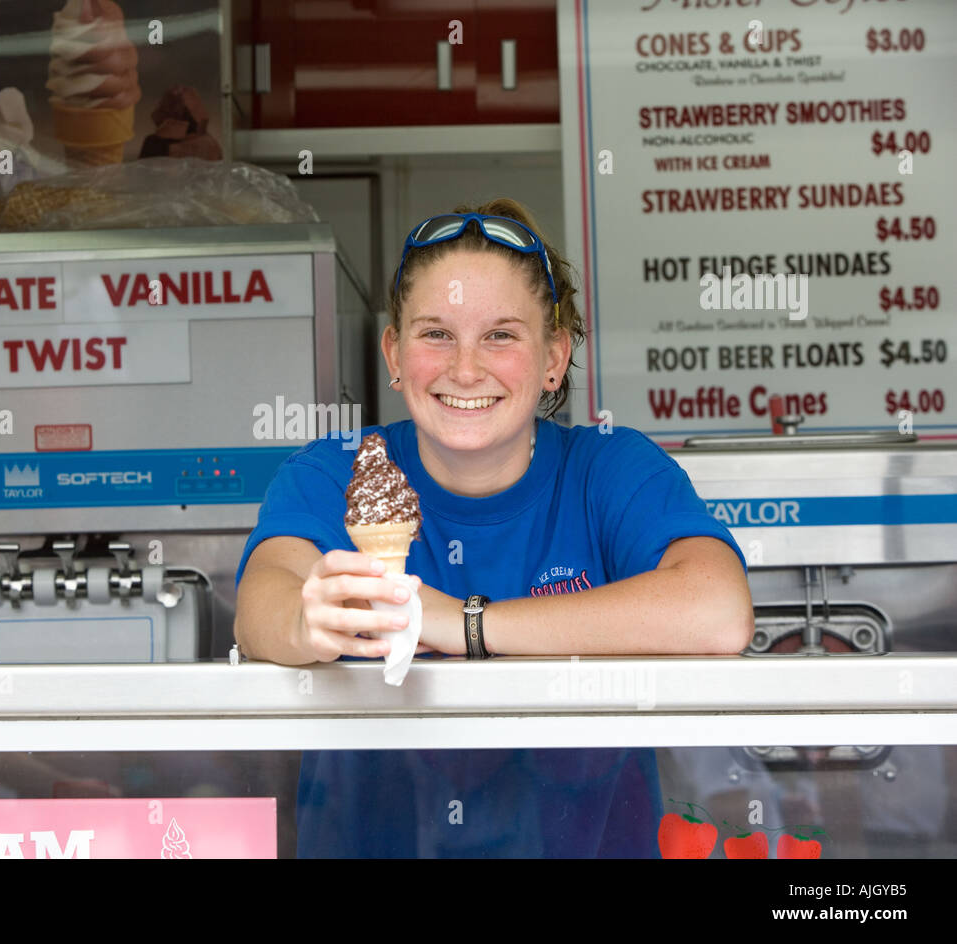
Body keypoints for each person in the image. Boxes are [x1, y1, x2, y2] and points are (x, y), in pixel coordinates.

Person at [233, 198, 754, 857]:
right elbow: (260, 605)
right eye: (436, 334)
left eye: (501, 335)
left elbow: (718, 612)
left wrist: (460, 623)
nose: (467, 369)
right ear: (394, 352)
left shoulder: (611, 469)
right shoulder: (338, 470)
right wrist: (306, 621)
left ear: (554, 358)